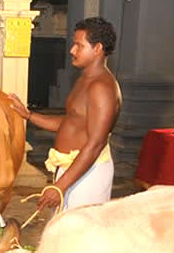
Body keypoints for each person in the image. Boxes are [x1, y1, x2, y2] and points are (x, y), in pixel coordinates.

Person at [10, 16, 122, 211]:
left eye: (79, 45)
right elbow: (71, 122)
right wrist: (28, 115)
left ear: (97, 48)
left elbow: (96, 144)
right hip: (73, 169)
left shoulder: (102, 88)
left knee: (79, 228)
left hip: (88, 173)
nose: (72, 50)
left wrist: (60, 186)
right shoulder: (84, 79)